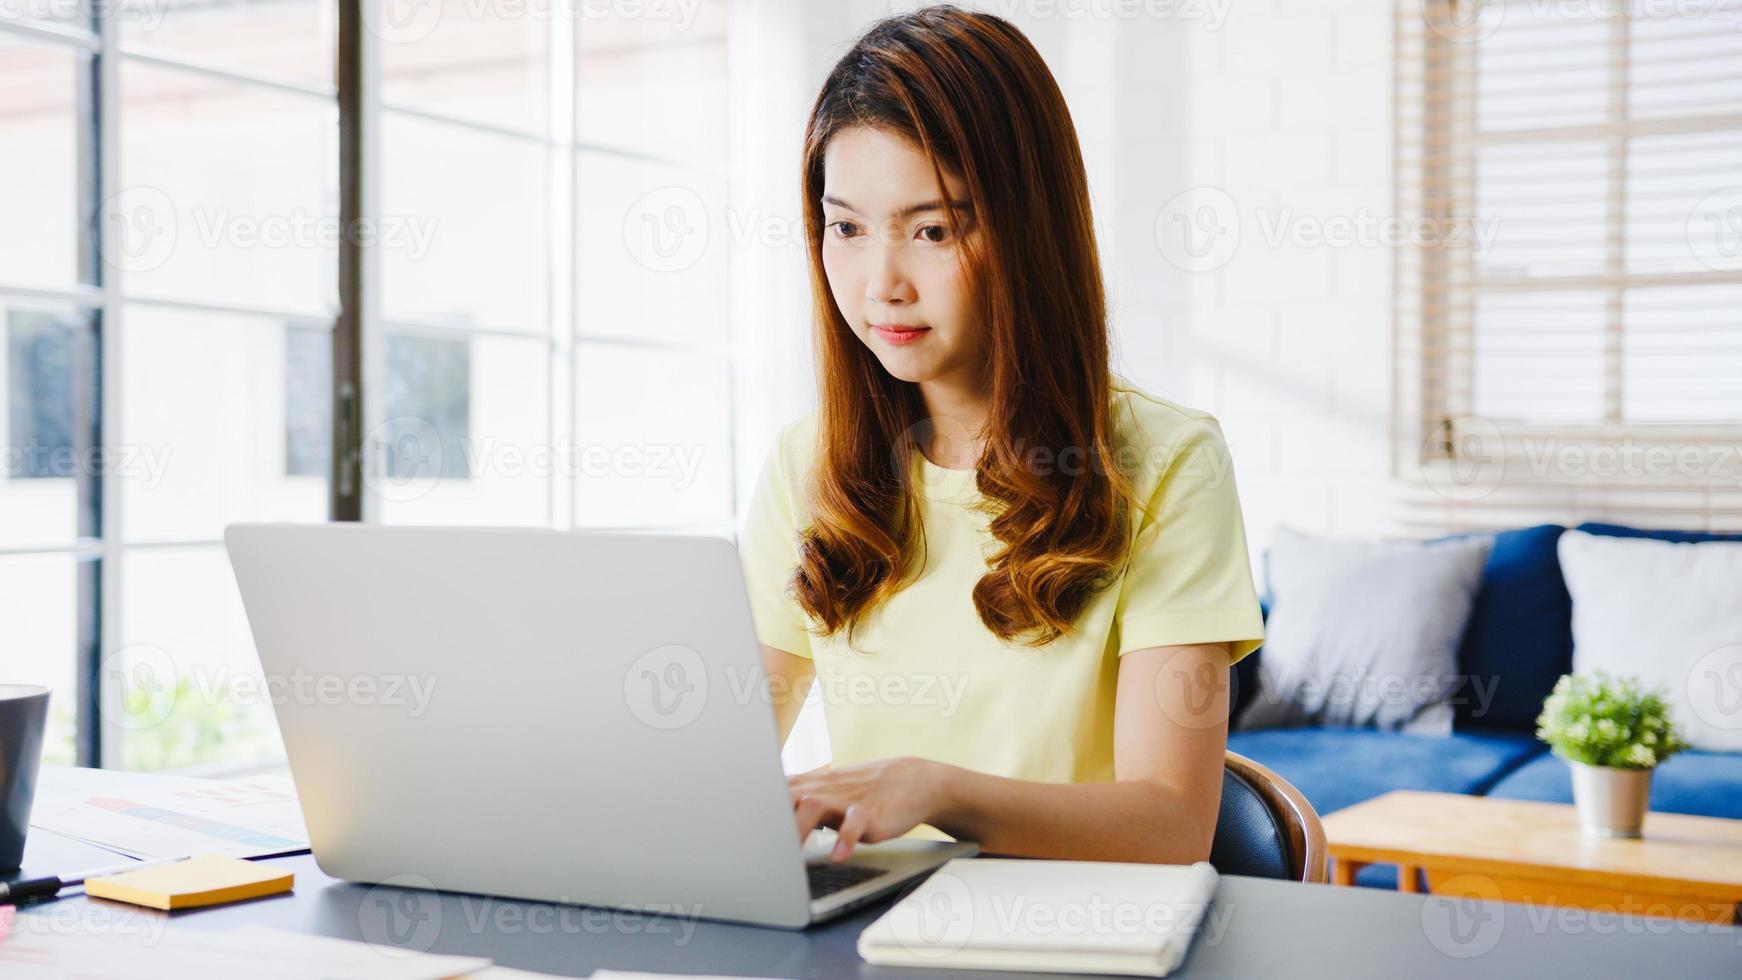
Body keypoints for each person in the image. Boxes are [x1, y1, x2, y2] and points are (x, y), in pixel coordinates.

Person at [738, 6, 1265, 867]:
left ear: (1029, 228)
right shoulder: (809, 464)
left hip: (1079, 936)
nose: (882, 284)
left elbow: (1170, 828)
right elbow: (721, 764)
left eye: (934, 229)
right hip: (875, 937)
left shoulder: (1169, 464)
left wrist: (938, 791)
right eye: (847, 227)